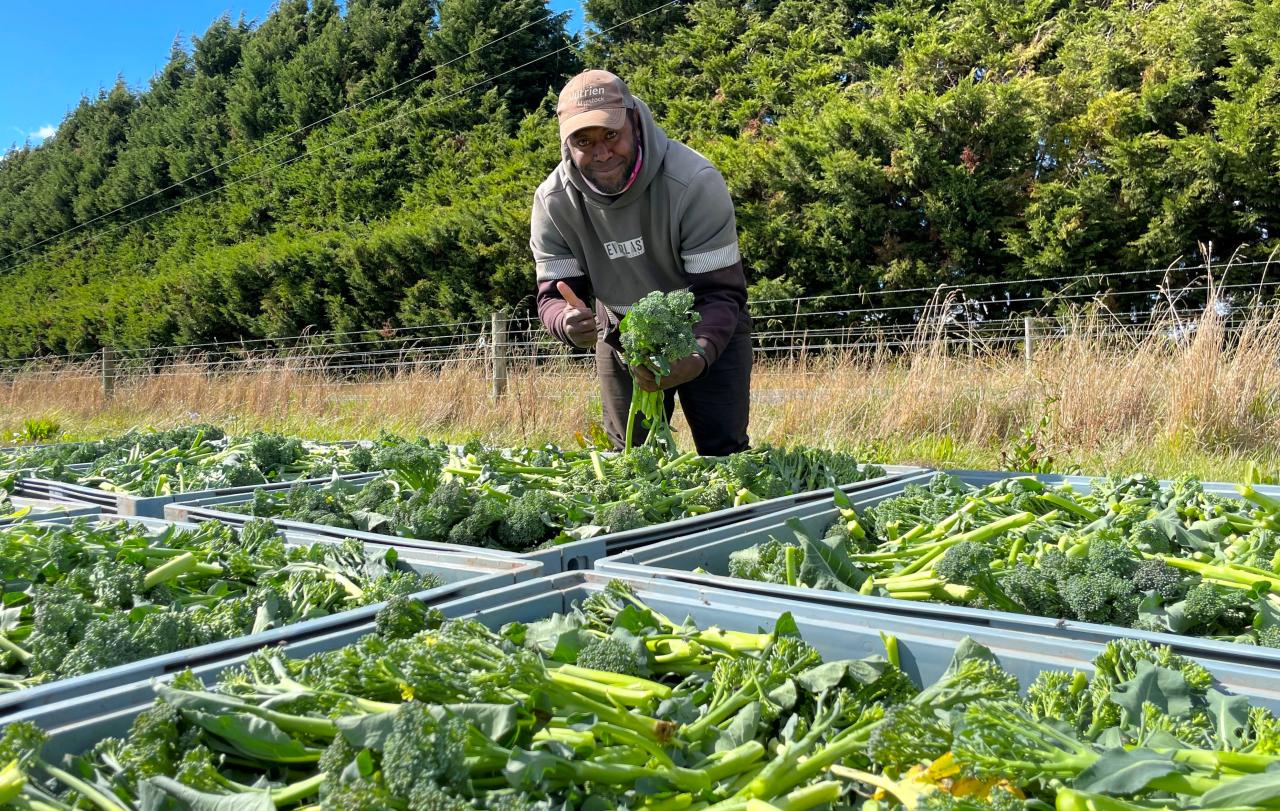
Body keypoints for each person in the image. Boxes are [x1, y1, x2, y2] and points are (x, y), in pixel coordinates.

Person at [531, 69, 752, 456]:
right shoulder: (553, 202)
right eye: (584, 141)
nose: (601, 153)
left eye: (611, 135)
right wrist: (566, 324)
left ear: (634, 120)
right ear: (566, 143)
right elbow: (554, 295)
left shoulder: (693, 181)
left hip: (705, 323)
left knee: (724, 453)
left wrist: (697, 354)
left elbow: (720, 292)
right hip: (619, 329)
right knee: (630, 458)